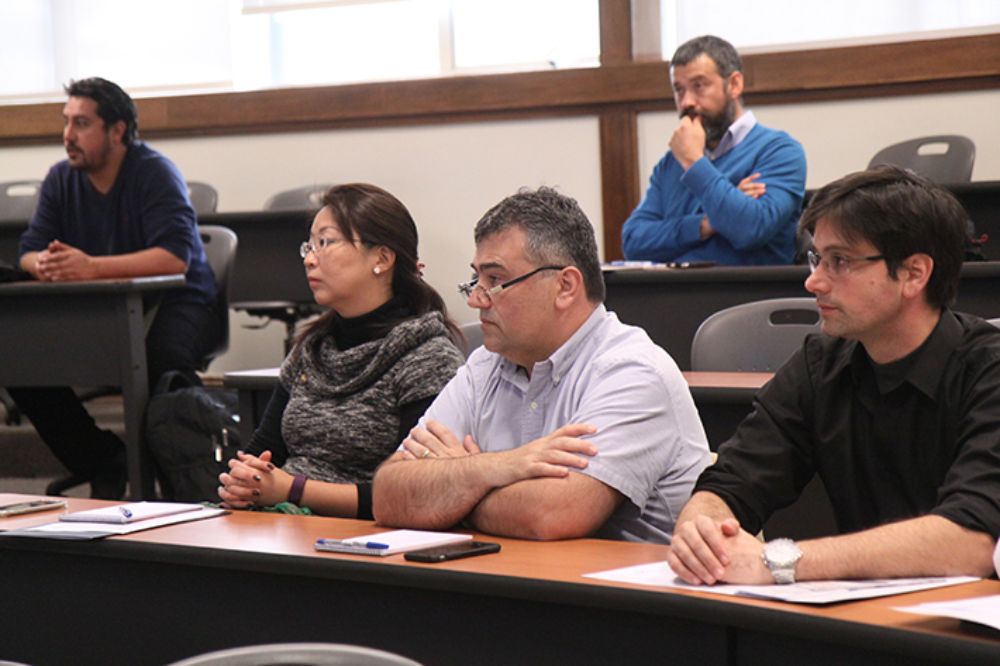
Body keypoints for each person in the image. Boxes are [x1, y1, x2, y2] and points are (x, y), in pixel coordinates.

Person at [668, 166, 1000, 585]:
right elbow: (735, 478)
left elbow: (972, 541)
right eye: (816, 258)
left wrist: (780, 562)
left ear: (915, 273)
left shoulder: (989, 371)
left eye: (840, 261)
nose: (813, 281)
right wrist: (702, 529)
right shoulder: (820, 363)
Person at [372, 187, 710, 542]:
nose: (475, 299)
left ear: (565, 286)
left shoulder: (632, 371)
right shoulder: (485, 365)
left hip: (629, 593)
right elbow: (388, 493)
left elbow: (550, 514)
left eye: (495, 280)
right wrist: (498, 465)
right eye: (476, 280)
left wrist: (451, 487)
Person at [8, 77, 223, 499]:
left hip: (178, 301)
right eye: (66, 122)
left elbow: (174, 256)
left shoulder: (154, 172)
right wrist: (46, 265)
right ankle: (101, 458)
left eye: (82, 123)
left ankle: (183, 489)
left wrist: (90, 268)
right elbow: (27, 252)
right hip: (101, 308)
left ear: (117, 130)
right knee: (19, 356)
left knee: (160, 363)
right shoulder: (60, 179)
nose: (68, 135)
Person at [217, 183, 465, 519]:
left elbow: (411, 492)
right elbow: (263, 451)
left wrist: (292, 488)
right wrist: (242, 481)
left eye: (326, 242)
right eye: (309, 245)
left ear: (382, 258)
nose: (309, 258)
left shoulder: (428, 359)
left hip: (361, 539)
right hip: (283, 524)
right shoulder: (312, 348)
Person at [622, 35, 806, 266]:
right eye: (679, 90)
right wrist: (707, 223)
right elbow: (633, 242)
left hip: (745, 294)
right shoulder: (671, 163)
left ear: (734, 84)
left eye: (699, 86)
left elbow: (749, 228)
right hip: (674, 293)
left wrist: (693, 162)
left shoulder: (779, 151)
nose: (687, 102)